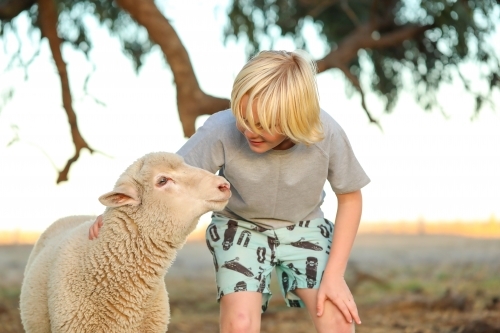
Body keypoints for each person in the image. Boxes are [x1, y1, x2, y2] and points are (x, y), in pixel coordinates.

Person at [89, 50, 370, 333]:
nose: (248, 131)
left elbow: (350, 198)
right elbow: (170, 178)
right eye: (242, 117)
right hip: (241, 228)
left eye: (261, 125)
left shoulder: (327, 134)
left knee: (336, 318)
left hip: (305, 226)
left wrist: (334, 275)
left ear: (294, 119)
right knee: (240, 323)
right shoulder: (222, 129)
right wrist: (116, 213)